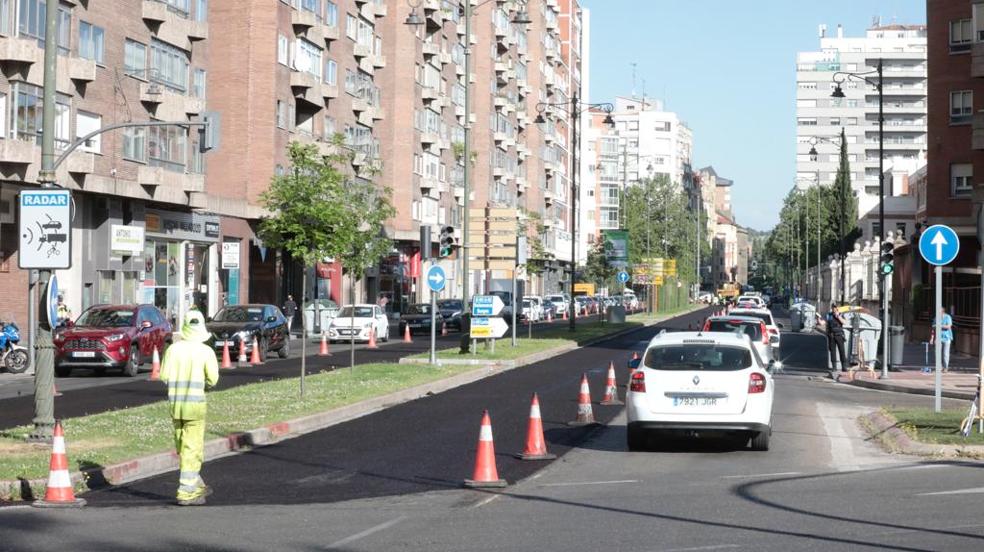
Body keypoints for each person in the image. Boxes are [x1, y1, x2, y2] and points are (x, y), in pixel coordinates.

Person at [159, 311, 219, 506]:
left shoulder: (173, 350)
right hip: (195, 408)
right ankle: (187, 491)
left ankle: (196, 482)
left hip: (176, 406)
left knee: (182, 446)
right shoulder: (205, 352)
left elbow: (164, 376)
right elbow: (213, 379)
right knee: (192, 448)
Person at [823, 302, 849, 374]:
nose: (834, 309)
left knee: (842, 351)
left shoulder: (841, 314)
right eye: (833, 307)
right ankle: (834, 367)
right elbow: (824, 322)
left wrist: (838, 316)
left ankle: (844, 366)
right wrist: (819, 321)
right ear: (832, 308)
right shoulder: (829, 315)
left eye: (835, 308)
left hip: (839, 335)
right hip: (831, 335)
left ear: (838, 308)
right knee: (833, 352)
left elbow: (844, 322)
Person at [930, 307, 954, 373]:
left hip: (947, 337)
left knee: (945, 354)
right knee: (937, 353)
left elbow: (949, 326)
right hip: (938, 338)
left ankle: (945, 367)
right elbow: (933, 329)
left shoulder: (948, 317)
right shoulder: (936, 318)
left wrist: (939, 325)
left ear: (943, 312)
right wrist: (932, 338)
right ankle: (939, 367)